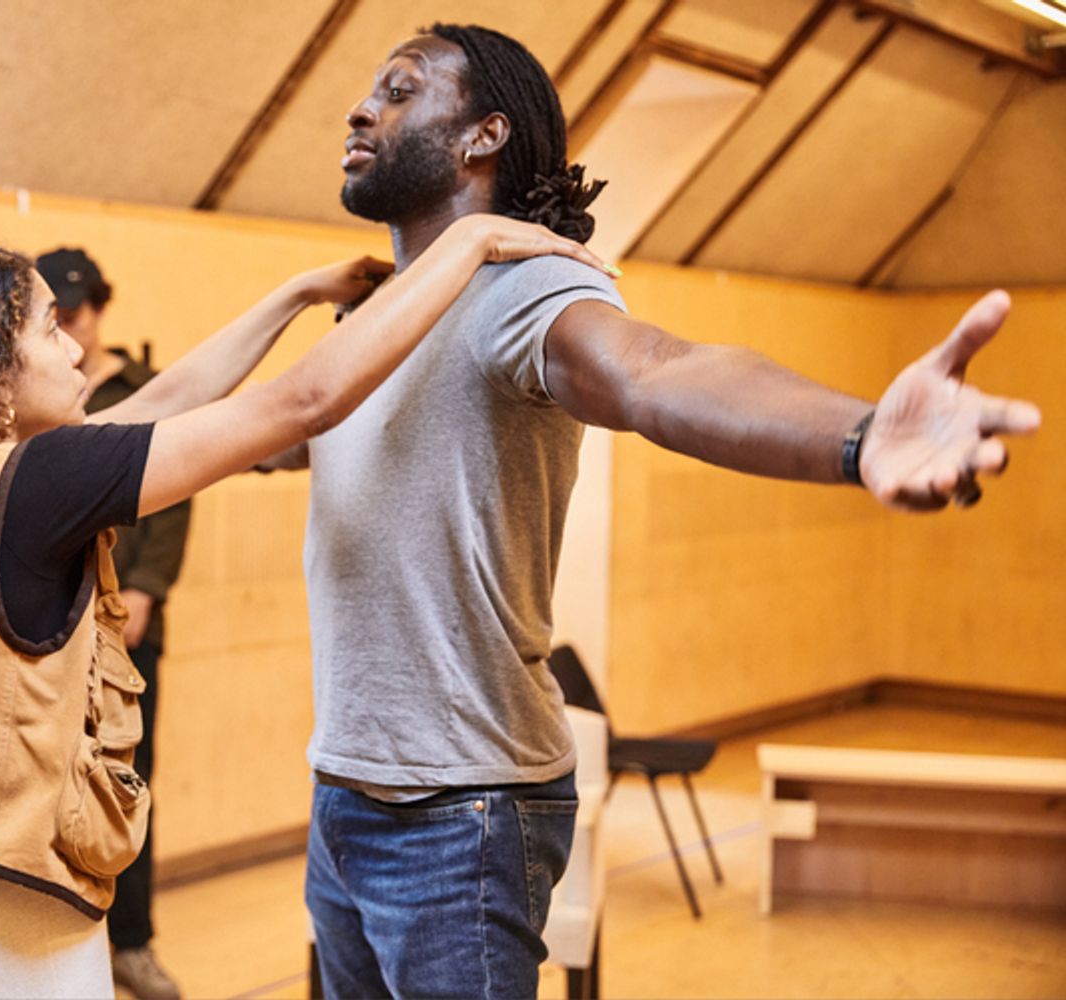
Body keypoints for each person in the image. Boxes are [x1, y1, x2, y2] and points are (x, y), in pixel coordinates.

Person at [260, 22, 1043, 999]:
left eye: (399, 88)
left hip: (460, 815)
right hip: (345, 791)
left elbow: (655, 371)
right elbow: (267, 431)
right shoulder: (370, 323)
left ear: (480, 137)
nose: (359, 106)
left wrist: (860, 432)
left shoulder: (517, 287)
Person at [0, 215, 606, 998]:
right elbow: (303, 404)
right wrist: (469, 242)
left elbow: (167, 399)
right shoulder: (36, 481)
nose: (76, 345)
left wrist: (294, 295)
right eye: (50, 330)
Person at [35, 247, 190, 1000]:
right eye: (54, 315)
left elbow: (174, 494)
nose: (71, 325)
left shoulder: (141, 389)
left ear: (99, 308)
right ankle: (63, 946)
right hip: (44, 626)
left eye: (79, 310)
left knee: (126, 789)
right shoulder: (32, 391)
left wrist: (148, 593)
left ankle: (131, 944)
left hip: (125, 627)